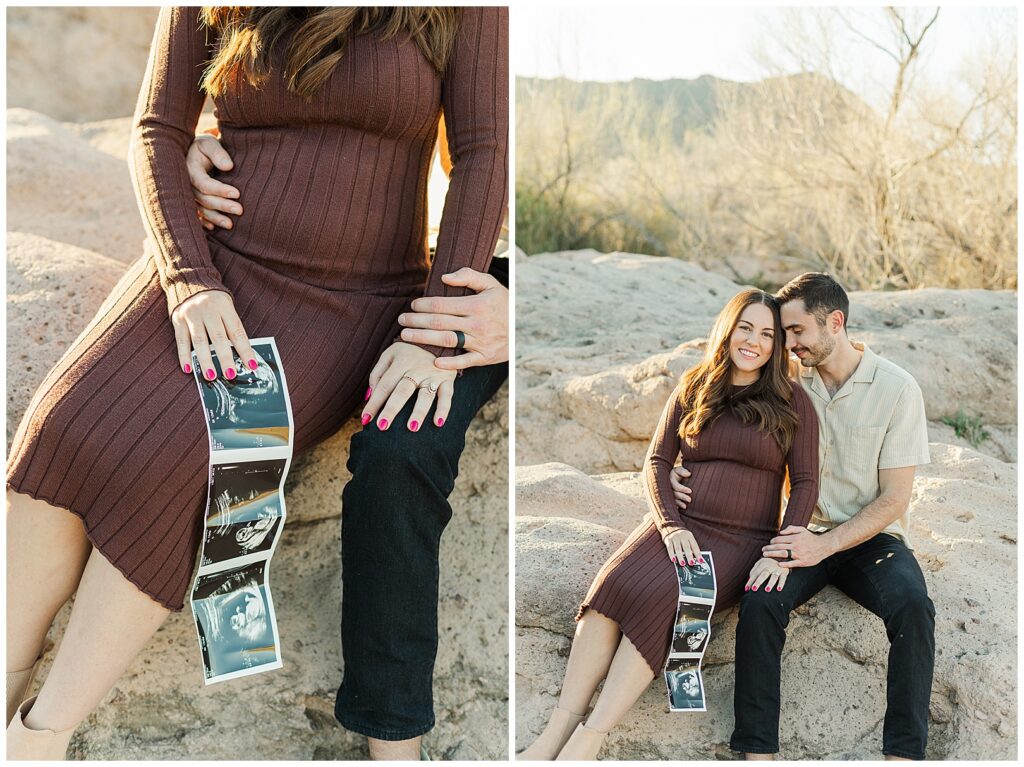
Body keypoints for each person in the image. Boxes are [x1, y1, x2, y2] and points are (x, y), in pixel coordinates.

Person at [5, 6, 507, 761]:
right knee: (64, 424)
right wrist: (186, 279)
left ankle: (39, 736)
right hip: (209, 269)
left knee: (188, 459)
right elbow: (156, 129)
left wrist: (439, 329)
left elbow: (482, 150)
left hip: (345, 302)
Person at [185, 119, 510, 759]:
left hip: (498, 278)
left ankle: (394, 741)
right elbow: (336, 103)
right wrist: (207, 142)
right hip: (414, 266)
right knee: (247, 410)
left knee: (405, 441)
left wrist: (518, 312)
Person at [517, 289, 819, 761]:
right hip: (679, 525)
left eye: (767, 334)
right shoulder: (696, 383)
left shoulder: (792, 399)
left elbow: (804, 482)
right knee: (611, 589)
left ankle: (589, 740)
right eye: (746, 328)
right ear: (728, 329)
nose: (754, 342)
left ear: (777, 345)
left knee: (670, 600)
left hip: (741, 540)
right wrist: (670, 524)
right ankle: (555, 733)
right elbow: (657, 460)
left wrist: (782, 551)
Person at [670, 273, 934, 760]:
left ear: (835, 322)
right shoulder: (786, 386)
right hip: (796, 529)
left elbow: (895, 499)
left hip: (871, 540)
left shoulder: (898, 389)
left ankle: (903, 754)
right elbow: (712, 425)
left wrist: (825, 546)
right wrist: (676, 472)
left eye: (796, 332)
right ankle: (757, 752)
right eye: (783, 333)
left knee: (914, 607)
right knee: (760, 602)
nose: (787, 344)